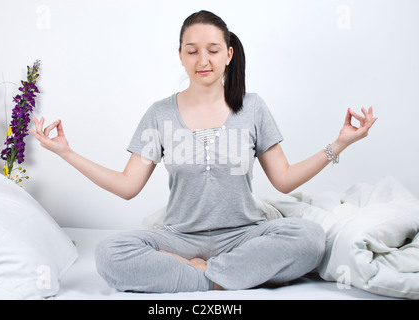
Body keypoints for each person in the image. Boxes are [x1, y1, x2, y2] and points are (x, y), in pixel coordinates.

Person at [30, 10, 377, 293]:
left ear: (228, 54)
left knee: (310, 238)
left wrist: (339, 143)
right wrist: (66, 153)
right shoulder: (159, 113)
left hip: (245, 234)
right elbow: (127, 186)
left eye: (212, 49)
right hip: (178, 238)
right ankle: (236, 277)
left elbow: (283, 180)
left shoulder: (253, 108)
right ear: (180, 55)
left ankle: (203, 275)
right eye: (192, 50)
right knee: (108, 254)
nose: (203, 59)